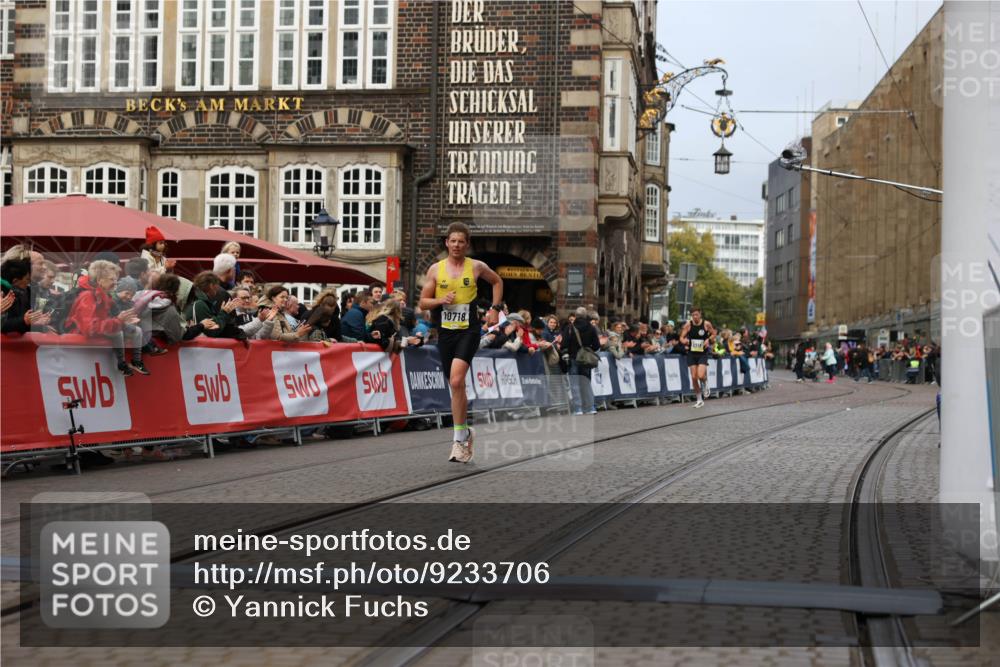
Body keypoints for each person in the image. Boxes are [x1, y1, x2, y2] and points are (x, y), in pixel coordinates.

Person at [418, 222, 502, 463]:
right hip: (445, 331)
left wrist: (495, 309)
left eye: (461, 241)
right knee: (455, 385)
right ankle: (465, 432)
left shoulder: (476, 267)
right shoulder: (436, 269)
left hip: (469, 330)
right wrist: (440, 300)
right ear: (447, 243)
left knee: (456, 379)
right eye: (452, 241)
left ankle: (458, 441)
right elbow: (423, 302)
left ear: (467, 244)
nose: (456, 245)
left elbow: (497, 282)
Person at [64, 260, 148, 376]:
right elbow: (90, 329)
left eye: (116, 280)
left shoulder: (104, 294)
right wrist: (118, 321)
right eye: (112, 280)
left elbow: (109, 317)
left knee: (136, 330)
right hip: (78, 342)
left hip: (95, 336)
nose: (115, 283)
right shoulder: (87, 296)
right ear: (99, 281)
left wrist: (123, 320)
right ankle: (122, 364)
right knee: (118, 332)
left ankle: (134, 362)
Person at [563, 306, 600, 415]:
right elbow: (597, 345)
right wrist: (588, 350)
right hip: (586, 360)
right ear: (585, 316)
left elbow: (564, 344)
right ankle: (590, 407)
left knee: (574, 383)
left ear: (576, 316)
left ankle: (578, 408)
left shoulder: (570, 328)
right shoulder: (591, 328)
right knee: (586, 383)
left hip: (573, 358)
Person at [678, 307, 716, 407]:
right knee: (694, 377)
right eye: (693, 315)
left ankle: (705, 382)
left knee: (700, 375)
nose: (695, 317)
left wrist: (708, 339)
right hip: (691, 353)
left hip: (702, 353)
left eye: (696, 314)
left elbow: (714, 333)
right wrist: (684, 341)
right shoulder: (688, 324)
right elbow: (681, 337)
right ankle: (699, 400)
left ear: (700, 314)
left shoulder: (706, 324)